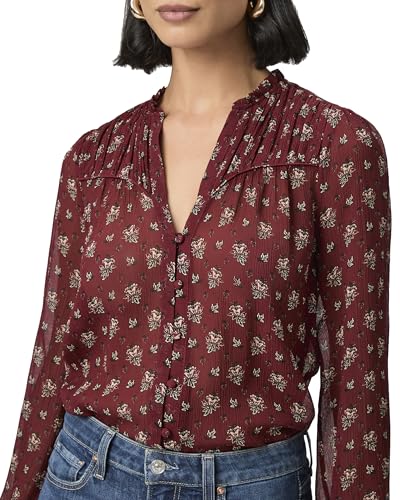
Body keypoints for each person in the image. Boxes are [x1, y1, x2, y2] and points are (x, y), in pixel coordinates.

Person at [1, 0, 391, 499]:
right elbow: (54, 355)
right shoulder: (93, 160)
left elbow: (357, 379)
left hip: (253, 486)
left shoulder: (333, 148)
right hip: (86, 477)